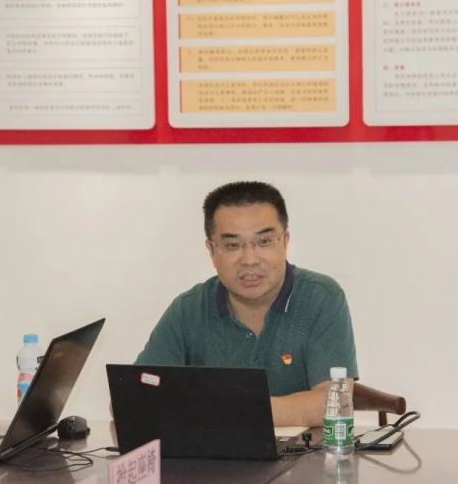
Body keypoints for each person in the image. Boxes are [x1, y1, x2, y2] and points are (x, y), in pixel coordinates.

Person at [135, 181, 359, 426]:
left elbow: (332, 405)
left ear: (285, 242)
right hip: (216, 451)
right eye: (233, 245)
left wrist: (217, 408)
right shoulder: (188, 309)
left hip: (301, 452)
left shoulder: (320, 297)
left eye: (264, 241)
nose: (250, 260)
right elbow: (134, 397)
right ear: (211, 251)